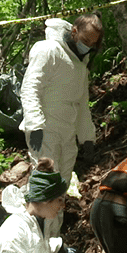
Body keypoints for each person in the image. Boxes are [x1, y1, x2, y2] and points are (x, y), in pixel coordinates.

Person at [21, 13, 104, 182]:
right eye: (86, 40)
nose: (87, 46)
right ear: (74, 31)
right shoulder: (48, 50)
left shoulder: (80, 66)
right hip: (45, 129)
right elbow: (30, 88)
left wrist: (87, 137)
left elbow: (81, 104)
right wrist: (35, 126)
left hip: (68, 134)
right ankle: (34, 209)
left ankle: (57, 210)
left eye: (92, 44)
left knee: (61, 186)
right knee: (46, 183)